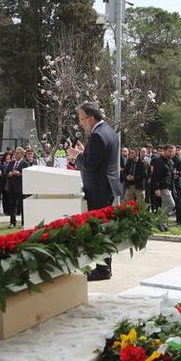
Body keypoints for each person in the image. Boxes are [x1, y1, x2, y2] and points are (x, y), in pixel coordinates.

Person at [67, 101, 122, 281]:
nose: (80, 123)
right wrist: (85, 151)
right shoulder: (108, 131)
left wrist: (76, 156)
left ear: (91, 119)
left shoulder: (98, 135)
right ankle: (103, 266)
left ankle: (103, 269)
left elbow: (90, 165)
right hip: (107, 186)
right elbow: (98, 158)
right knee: (102, 228)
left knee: (98, 229)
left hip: (99, 189)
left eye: (82, 119)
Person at [151, 144, 176, 230]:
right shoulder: (159, 161)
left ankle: (162, 223)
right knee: (171, 205)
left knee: (164, 207)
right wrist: (156, 188)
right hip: (162, 187)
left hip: (168, 187)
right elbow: (155, 176)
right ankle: (159, 220)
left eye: (173, 152)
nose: (171, 153)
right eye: (170, 151)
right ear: (164, 151)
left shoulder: (170, 161)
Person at [3, 148, 28, 228]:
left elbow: (27, 175)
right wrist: (9, 174)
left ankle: (23, 223)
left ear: (21, 154)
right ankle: (12, 222)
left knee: (22, 206)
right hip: (11, 187)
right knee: (12, 206)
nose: (15, 155)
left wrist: (19, 174)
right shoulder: (11, 163)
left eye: (17, 153)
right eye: (15, 153)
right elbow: (5, 173)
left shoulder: (25, 164)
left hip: (20, 188)